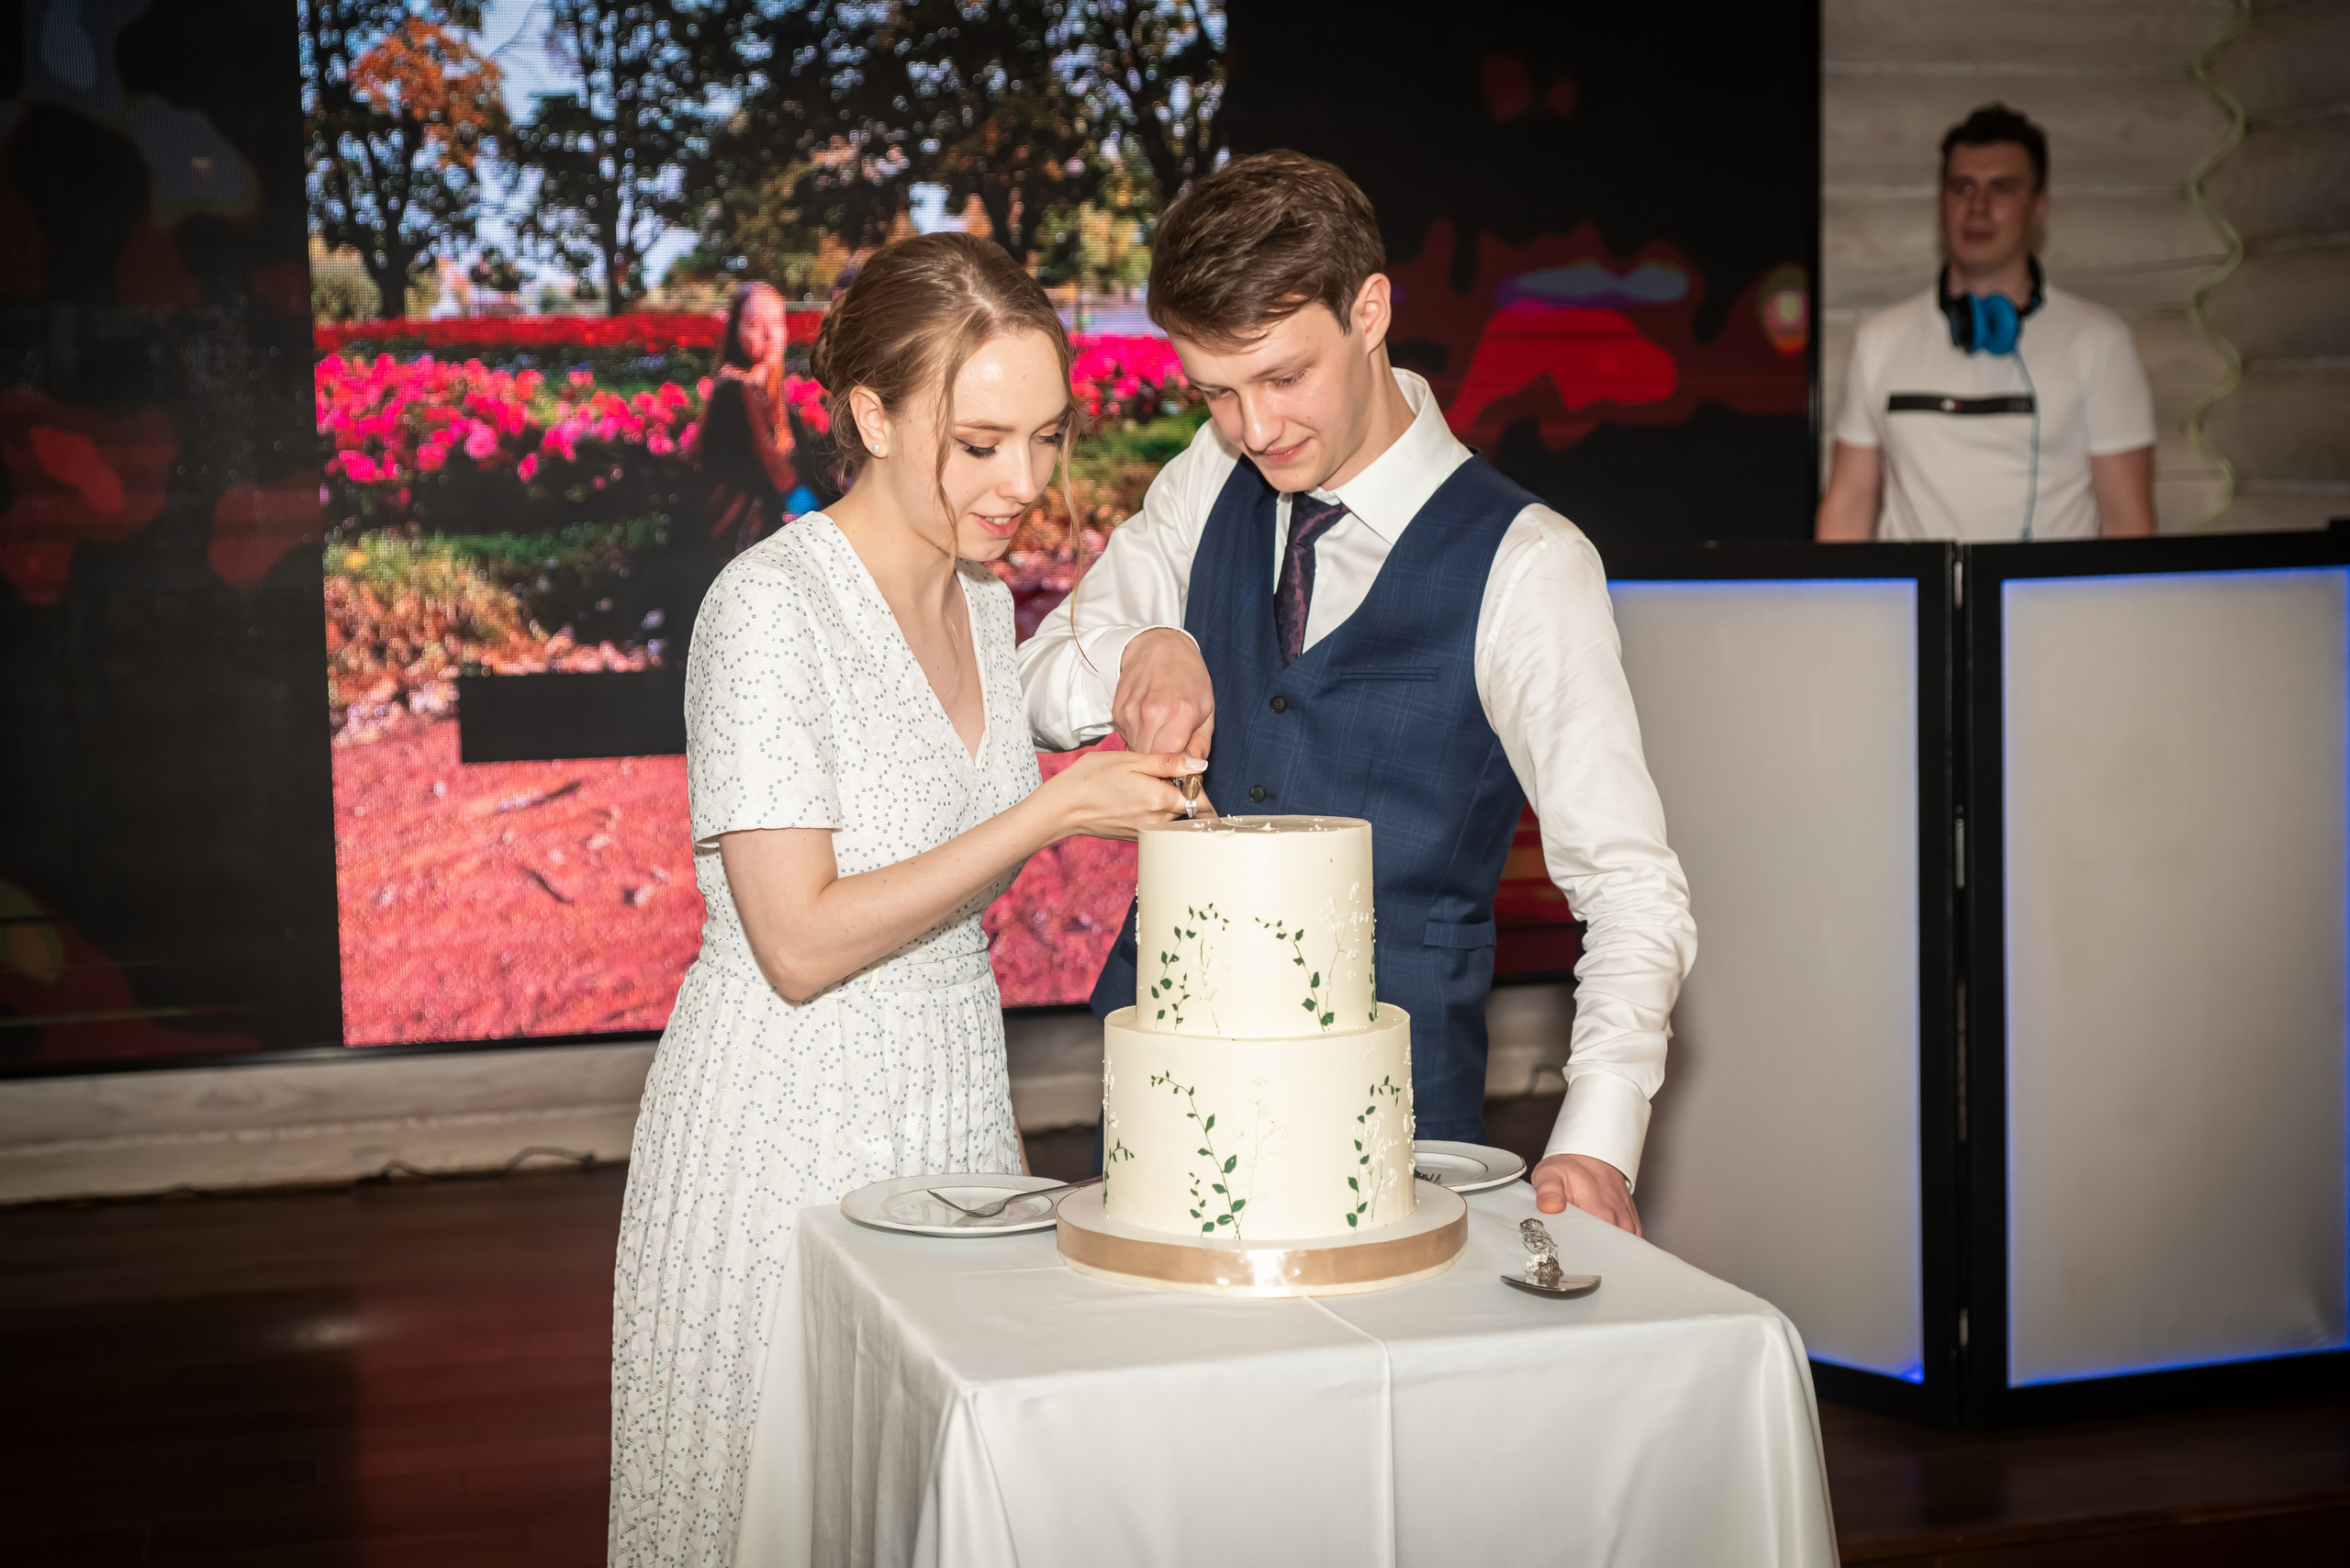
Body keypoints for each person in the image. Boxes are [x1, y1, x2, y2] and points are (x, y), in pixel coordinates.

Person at [610, 232, 1203, 1563]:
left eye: (1046, 439)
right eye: (981, 443)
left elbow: (1108, 635)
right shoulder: (768, 609)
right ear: (870, 415)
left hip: (954, 1097)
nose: (1024, 484)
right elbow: (799, 940)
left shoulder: (986, 603)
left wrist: (1154, 654)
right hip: (781, 1126)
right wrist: (1052, 809)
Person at [1018, 151, 1695, 1236]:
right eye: (1216, 390)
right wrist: (1142, 644)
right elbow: (1041, 683)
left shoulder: (1528, 564)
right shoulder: (1209, 473)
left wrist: (1593, 1138)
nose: (1252, 427)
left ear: (1370, 309)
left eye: (1283, 377)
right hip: (1159, 1102)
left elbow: (1630, 886)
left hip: (1400, 1136)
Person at [1817, 104, 2158, 542]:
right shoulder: (1879, 339)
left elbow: (2129, 524)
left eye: (2002, 189)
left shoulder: (2098, 341)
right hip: (1915, 608)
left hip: (2042, 609)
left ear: (2039, 206)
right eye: (1962, 188)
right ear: (1941, 204)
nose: (1978, 208)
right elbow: (1847, 506)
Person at [697, 281, 804, 556]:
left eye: (777, 323)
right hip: (739, 549)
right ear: (736, 333)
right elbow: (780, 475)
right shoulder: (734, 390)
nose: (770, 335)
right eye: (755, 324)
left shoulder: (774, 392)